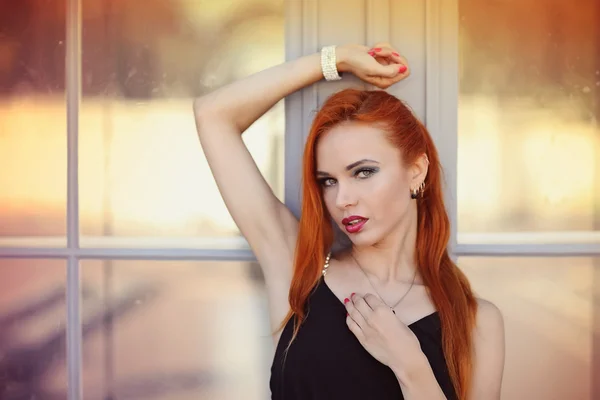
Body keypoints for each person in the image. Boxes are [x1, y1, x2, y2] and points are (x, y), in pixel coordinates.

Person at [193, 43, 505, 400]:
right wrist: (335, 59)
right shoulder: (298, 269)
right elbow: (212, 114)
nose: (342, 200)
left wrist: (410, 365)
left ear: (416, 171)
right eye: (328, 180)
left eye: (363, 172)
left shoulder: (477, 323)